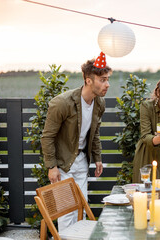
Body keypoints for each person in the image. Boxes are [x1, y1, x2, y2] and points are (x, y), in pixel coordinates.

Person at [41, 52, 112, 232]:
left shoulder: (99, 103)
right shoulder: (62, 103)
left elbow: (94, 133)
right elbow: (47, 137)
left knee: (81, 207)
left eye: (107, 79)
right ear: (89, 80)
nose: (107, 84)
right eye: (102, 80)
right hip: (63, 164)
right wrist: (51, 166)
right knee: (66, 213)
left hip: (81, 161)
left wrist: (97, 157)